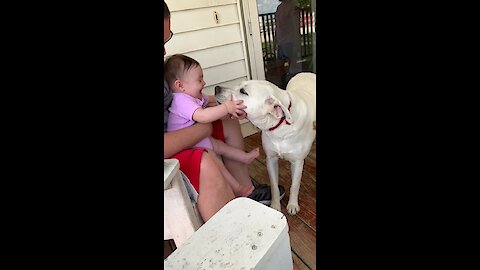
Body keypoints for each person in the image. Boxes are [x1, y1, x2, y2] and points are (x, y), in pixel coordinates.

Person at [164, 1, 284, 222]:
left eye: (166, 38)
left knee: (227, 119)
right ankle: (233, 220)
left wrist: (224, 108)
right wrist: (204, 126)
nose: (164, 49)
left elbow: (196, 104)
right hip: (175, 146)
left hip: (187, 130)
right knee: (207, 158)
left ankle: (246, 188)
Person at [165, 54, 259, 196]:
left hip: (193, 137)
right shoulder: (181, 101)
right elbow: (202, 116)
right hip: (185, 144)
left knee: (221, 146)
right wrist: (227, 108)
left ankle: (244, 159)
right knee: (215, 159)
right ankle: (237, 188)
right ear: (180, 85)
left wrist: (233, 103)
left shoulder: (192, 95)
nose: (204, 83)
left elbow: (211, 100)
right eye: (199, 79)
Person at [275, 0, 302, 83]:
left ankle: (283, 83)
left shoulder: (279, 8)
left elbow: (277, 26)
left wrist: (276, 41)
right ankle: (293, 84)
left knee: (282, 65)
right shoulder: (292, 7)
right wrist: (297, 42)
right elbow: (295, 26)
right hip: (290, 40)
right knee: (293, 65)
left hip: (281, 41)